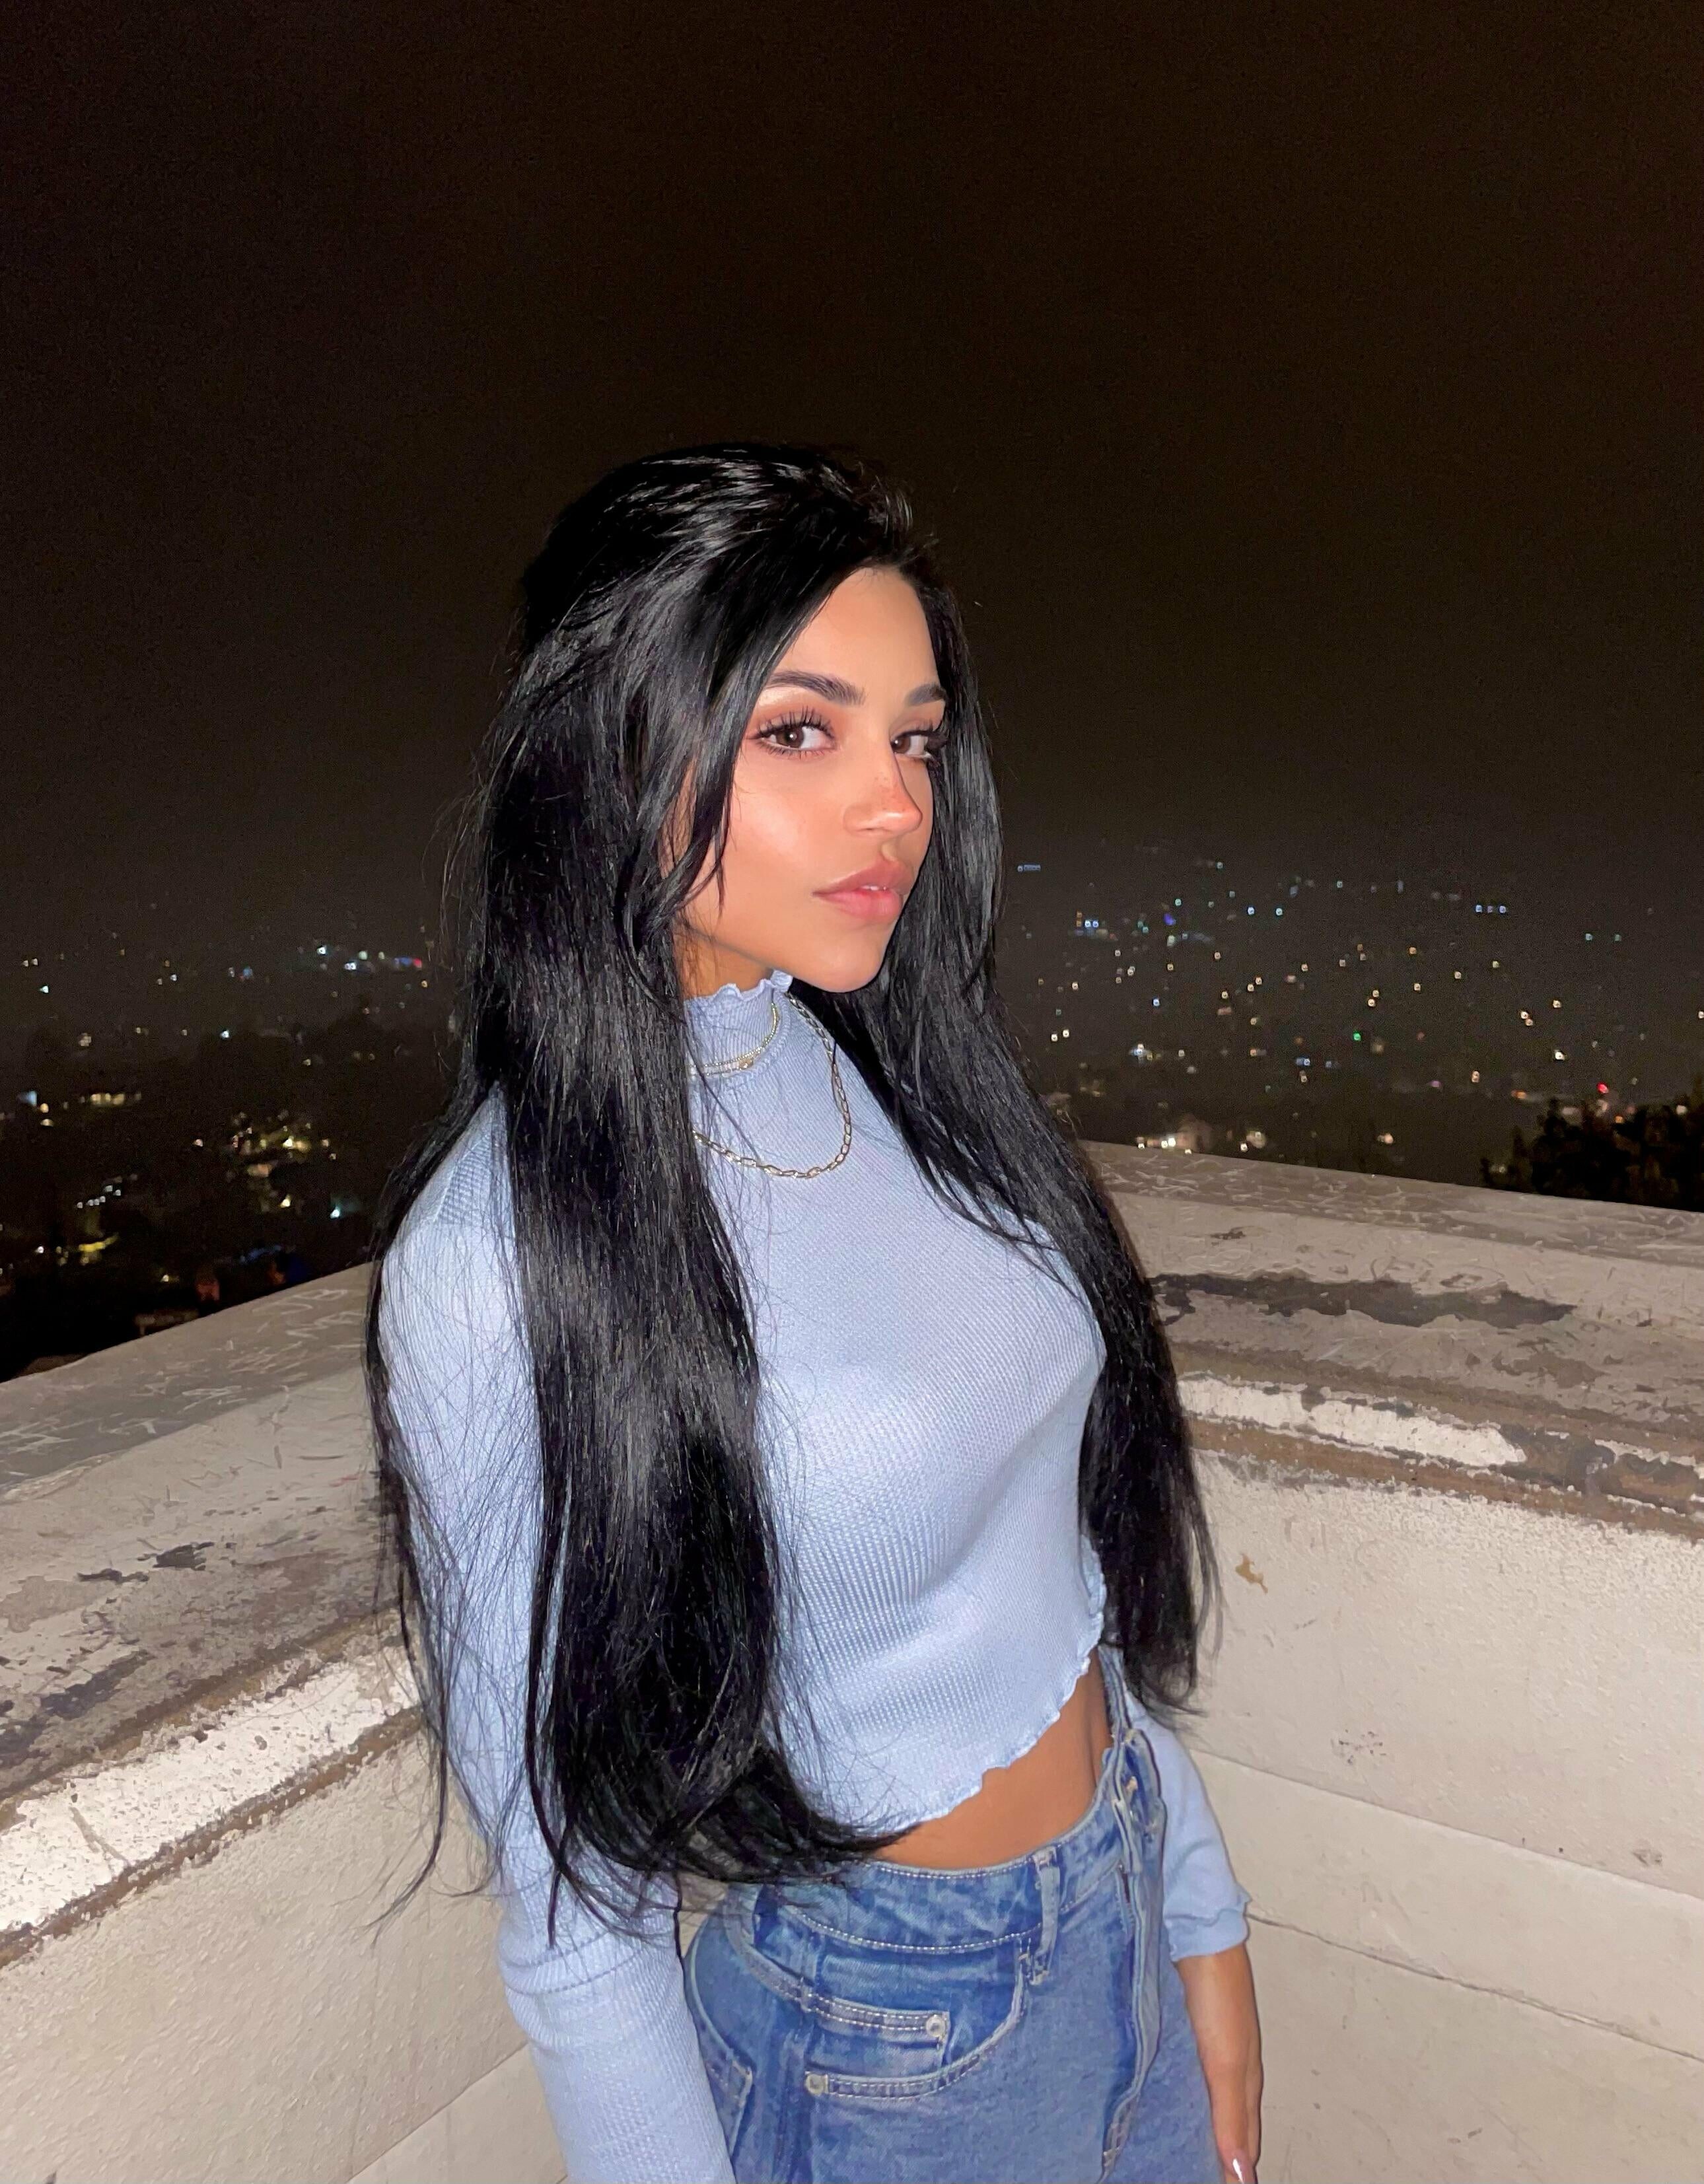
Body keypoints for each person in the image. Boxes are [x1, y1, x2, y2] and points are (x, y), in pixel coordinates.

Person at [367, 443, 1261, 2184]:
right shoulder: (504, 1248)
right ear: (616, 749)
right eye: (800, 732)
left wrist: (1195, 1907)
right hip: (887, 2039)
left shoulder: (887, 1072)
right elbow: (573, 1901)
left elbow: (1049, 1570)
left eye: (913, 739)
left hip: (1123, 1910)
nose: (893, 806)